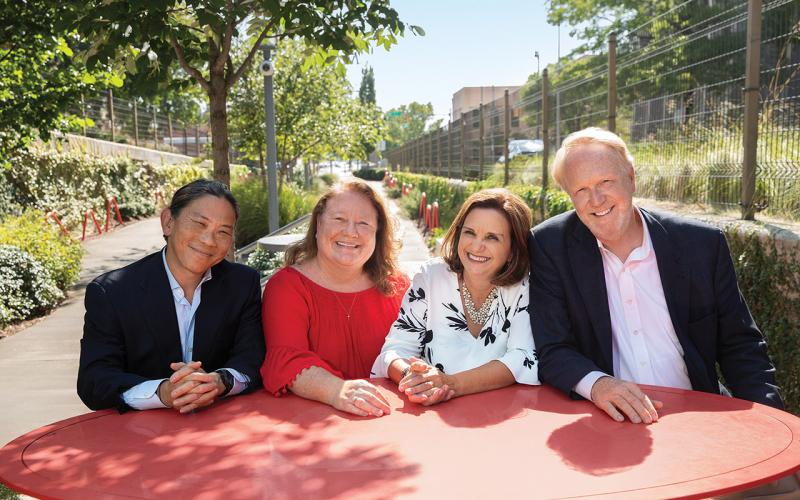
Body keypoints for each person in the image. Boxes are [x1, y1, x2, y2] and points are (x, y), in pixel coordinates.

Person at [528, 127, 783, 425]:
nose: (595, 200)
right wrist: (597, 384)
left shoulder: (699, 245)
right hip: (611, 422)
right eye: (581, 190)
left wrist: (771, 424)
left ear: (631, 178)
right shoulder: (549, 246)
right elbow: (553, 348)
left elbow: (740, 346)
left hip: (697, 417)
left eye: (605, 182)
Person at [78, 179, 265, 413]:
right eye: (199, 224)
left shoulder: (242, 283)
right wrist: (163, 392)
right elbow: (93, 381)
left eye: (223, 232)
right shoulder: (112, 291)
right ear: (168, 222)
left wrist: (220, 382)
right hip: (140, 434)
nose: (208, 240)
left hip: (220, 426)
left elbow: (253, 358)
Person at [372, 189, 540, 406]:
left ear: (512, 250)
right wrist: (412, 378)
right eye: (469, 232)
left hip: (500, 415)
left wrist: (450, 384)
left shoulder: (525, 287)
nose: (476, 246)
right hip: (432, 413)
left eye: (492, 237)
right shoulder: (431, 276)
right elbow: (395, 349)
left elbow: (521, 357)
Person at [260, 180, 408, 418]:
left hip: (390, 418)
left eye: (363, 223)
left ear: (377, 233)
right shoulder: (287, 287)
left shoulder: (399, 287)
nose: (351, 231)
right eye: (339, 219)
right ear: (318, 223)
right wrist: (336, 390)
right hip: (317, 428)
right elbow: (287, 359)